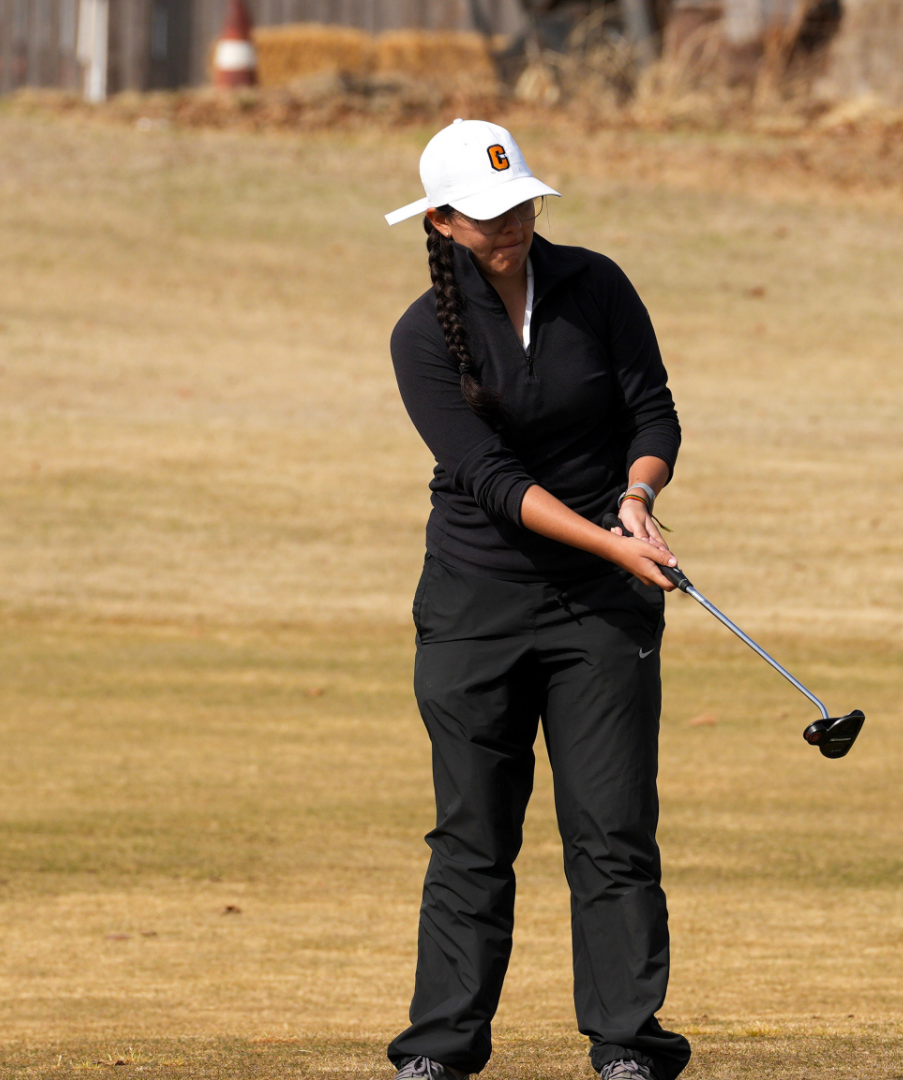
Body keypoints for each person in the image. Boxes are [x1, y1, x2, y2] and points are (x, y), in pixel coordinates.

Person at [380, 119, 691, 1080]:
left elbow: (654, 411)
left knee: (612, 828)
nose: (508, 225)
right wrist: (609, 540)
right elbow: (492, 479)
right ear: (439, 220)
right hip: (477, 602)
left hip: (600, 609)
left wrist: (636, 498)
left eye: (518, 204)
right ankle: (441, 1046)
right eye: (484, 214)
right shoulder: (420, 334)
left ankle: (625, 1042)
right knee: (473, 831)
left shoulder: (595, 285)